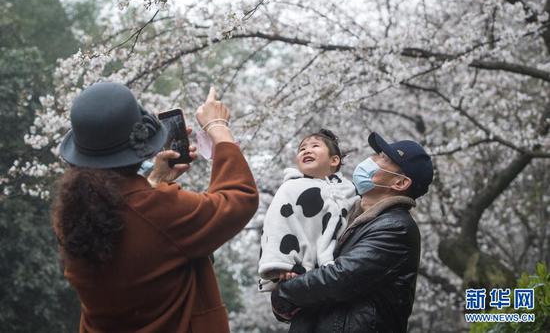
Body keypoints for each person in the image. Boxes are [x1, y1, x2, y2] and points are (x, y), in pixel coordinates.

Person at [52, 82, 259, 333]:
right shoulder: (159, 210)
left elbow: (132, 218)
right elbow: (239, 198)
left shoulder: (72, 218)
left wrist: (152, 182)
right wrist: (218, 128)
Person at [270, 132, 433, 333]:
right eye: (377, 154)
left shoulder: (396, 227)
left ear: (400, 183)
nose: (371, 159)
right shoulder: (340, 216)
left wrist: (284, 293)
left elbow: (340, 278)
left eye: (383, 158)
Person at [258, 129, 359, 291]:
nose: (307, 150)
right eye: (302, 149)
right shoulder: (290, 188)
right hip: (299, 268)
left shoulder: (348, 191)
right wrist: (283, 265)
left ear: (334, 160)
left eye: (315, 146)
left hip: (338, 266)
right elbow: (277, 225)